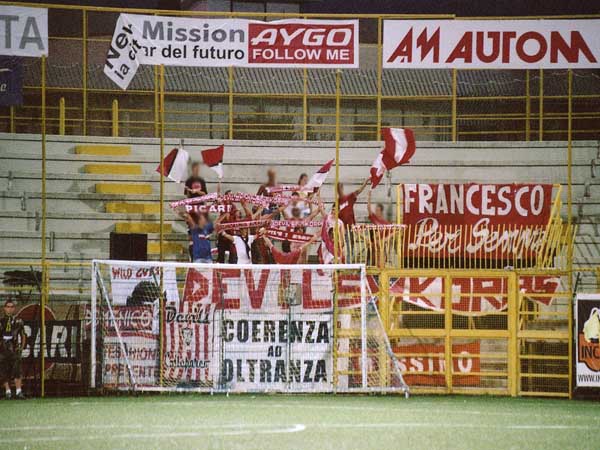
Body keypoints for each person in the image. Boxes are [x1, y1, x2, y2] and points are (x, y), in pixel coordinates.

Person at [0, 300, 26, 400]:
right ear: (4, 308)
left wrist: (21, 347)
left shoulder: (18, 321)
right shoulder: (1, 321)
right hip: (3, 350)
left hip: (14, 350)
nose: (9, 309)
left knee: (17, 370)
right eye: (8, 307)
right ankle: (8, 392)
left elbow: (23, 335)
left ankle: (19, 391)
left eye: (11, 307)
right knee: (3, 370)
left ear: (14, 308)